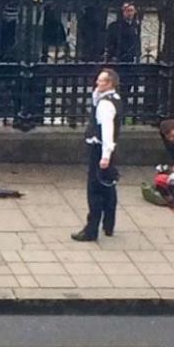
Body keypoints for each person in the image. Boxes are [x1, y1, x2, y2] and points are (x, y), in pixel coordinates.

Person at [72, 69, 122, 242]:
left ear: (109, 83)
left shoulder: (105, 105)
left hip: (100, 149)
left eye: (101, 81)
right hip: (108, 149)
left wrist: (105, 155)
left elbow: (108, 130)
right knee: (108, 186)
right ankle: (109, 224)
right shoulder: (113, 99)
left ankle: (91, 229)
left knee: (94, 190)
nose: (97, 83)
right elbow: (95, 99)